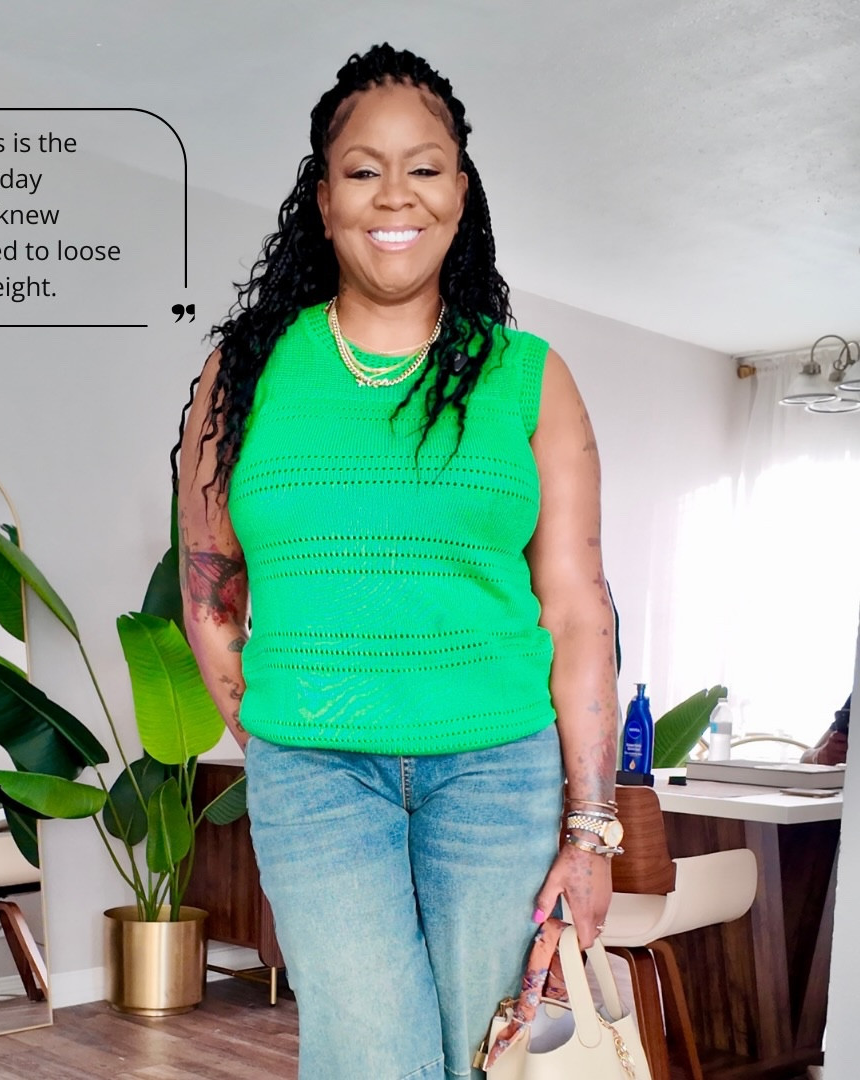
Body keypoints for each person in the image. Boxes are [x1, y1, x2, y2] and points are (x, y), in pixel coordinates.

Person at [175, 44, 619, 1080]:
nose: (395, 194)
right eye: (363, 169)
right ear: (323, 198)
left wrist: (591, 828)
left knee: (486, 1053)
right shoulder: (244, 373)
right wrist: (274, 733)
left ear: (461, 191)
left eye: (425, 167)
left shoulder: (530, 377)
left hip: (499, 771)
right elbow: (209, 584)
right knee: (371, 1053)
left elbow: (576, 604)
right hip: (316, 775)